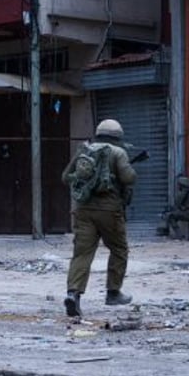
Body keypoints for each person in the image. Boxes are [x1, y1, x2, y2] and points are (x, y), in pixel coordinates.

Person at [61, 119, 137, 317]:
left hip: (83, 209)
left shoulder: (84, 151)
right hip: (109, 210)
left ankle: (73, 294)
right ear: (118, 136)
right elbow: (129, 178)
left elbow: (65, 176)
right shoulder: (118, 152)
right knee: (119, 249)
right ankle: (113, 292)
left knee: (82, 253)